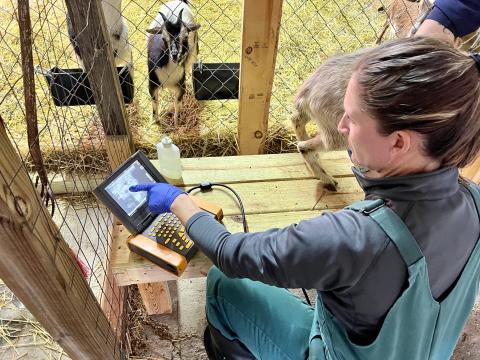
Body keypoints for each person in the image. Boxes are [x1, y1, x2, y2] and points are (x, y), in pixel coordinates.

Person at [130, 36, 480, 360]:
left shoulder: (353, 238)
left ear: (399, 143)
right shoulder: (474, 202)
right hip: (419, 348)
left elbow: (232, 255)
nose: (340, 127)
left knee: (223, 282)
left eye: (353, 119)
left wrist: (179, 201)